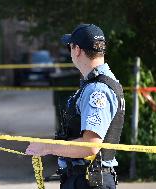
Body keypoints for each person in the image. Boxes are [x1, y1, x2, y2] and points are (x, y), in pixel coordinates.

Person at [25, 24, 125, 189]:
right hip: (86, 179)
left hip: (87, 181)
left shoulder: (96, 90)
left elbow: (91, 145)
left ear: (77, 50)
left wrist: (46, 147)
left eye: (70, 47)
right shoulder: (97, 83)